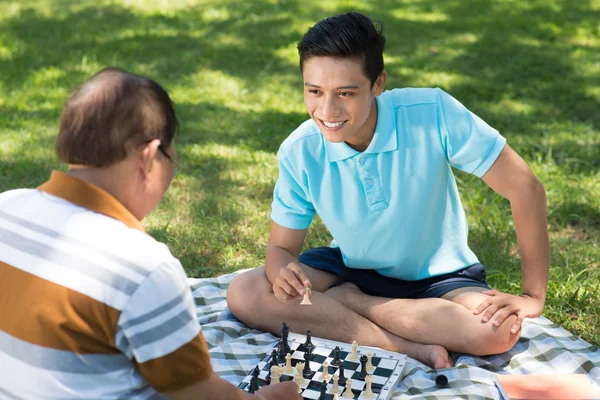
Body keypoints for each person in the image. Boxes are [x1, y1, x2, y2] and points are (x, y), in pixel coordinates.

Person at [226, 12, 549, 369]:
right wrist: (283, 273)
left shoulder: (433, 112)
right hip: (350, 267)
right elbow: (281, 249)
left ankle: (353, 304)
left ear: (378, 83)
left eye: (346, 93)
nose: (327, 110)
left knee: (498, 331)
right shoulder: (300, 150)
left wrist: (532, 296)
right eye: (314, 91)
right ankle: (401, 346)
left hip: (440, 278)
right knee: (246, 292)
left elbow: (526, 188)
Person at [0, 68, 300, 400]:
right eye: (171, 159)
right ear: (149, 156)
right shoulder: (142, 267)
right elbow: (200, 395)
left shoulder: (5, 207)